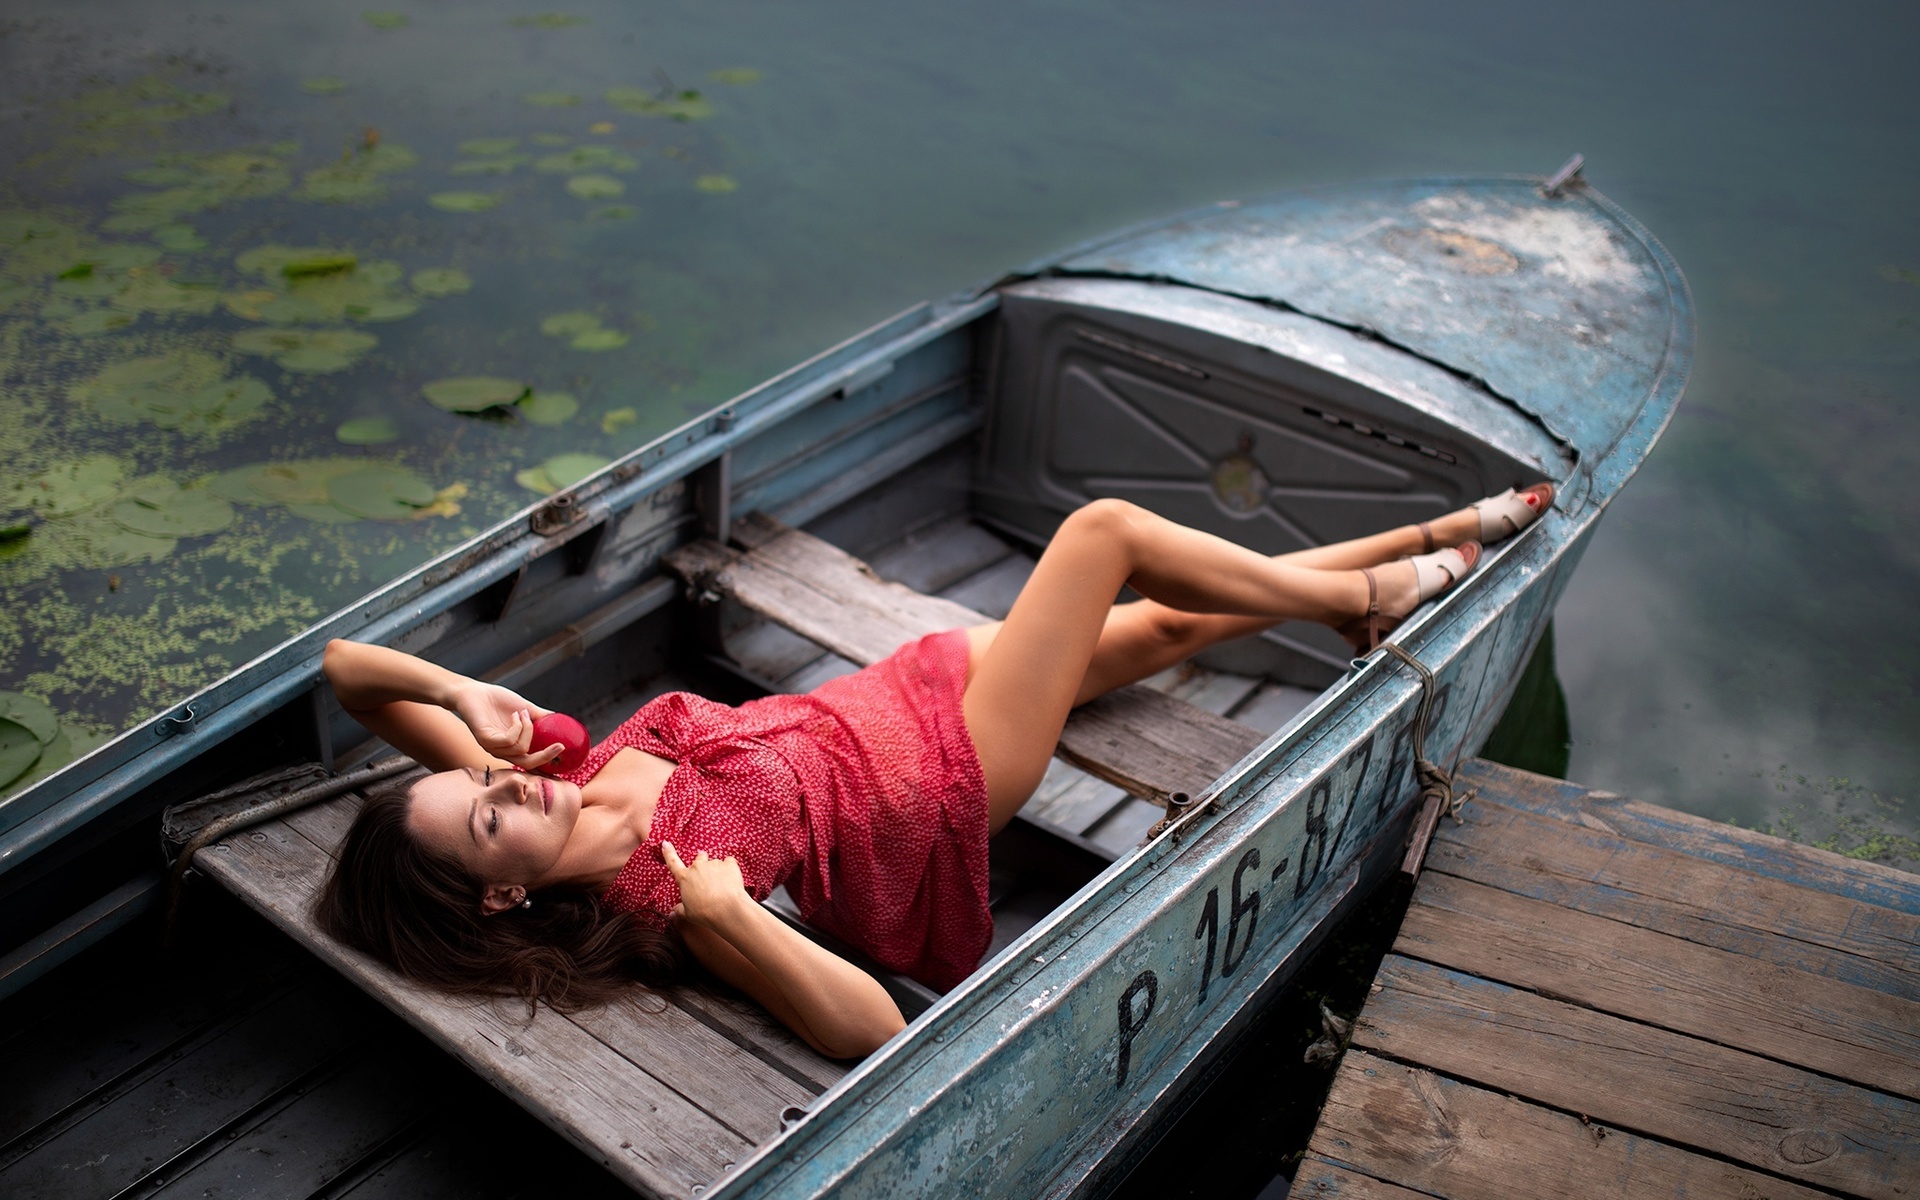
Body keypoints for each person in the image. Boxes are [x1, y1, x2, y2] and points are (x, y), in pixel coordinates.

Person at [317, 486, 1550, 1058]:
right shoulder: (667, 900)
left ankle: (1429, 548)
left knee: (1169, 628)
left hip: (896, 690)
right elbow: (871, 1029)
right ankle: (1377, 592)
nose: (503, 787)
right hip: (951, 774)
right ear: (501, 898)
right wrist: (742, 924)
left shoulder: (550, 771)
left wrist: (453, 691)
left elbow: (347, 672)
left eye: (477, 782)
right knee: (1106, 536)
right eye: (486, 824)